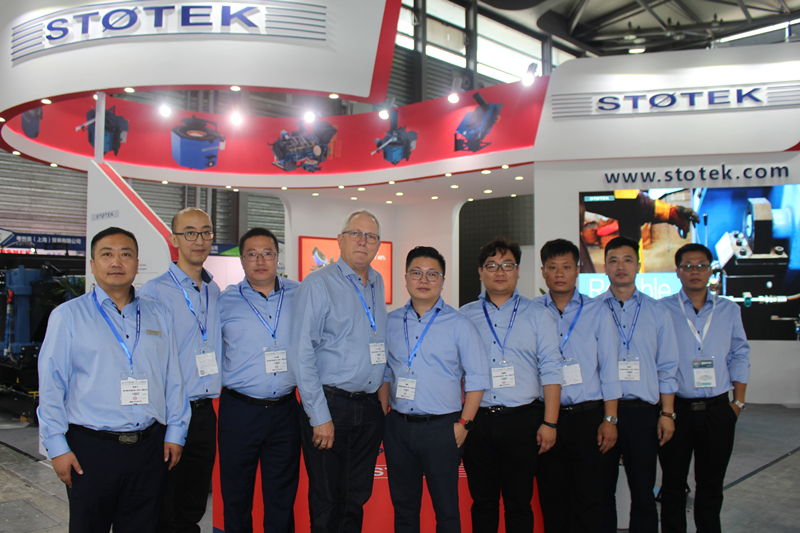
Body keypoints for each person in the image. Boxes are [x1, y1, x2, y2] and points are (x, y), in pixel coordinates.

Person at [37, 227, 190, 533]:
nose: (117, 262)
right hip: (91, 449)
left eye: (126, 254)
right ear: (93, 264)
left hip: (149, 448)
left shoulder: (159, 314)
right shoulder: (68, 316)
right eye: (107, 254)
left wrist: (176, 432)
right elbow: (52, 385)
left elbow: (173, 377)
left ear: (137, 263)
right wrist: (56, 447)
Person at [289, 209, 388, 533]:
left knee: (355, 497)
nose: (363, 241)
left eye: (370, 236)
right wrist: (319, 416)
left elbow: (377, 342)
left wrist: (380, 404)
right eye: (355, 234)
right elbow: (301, 352)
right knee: (327, 498)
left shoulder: (377, 282)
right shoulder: (318, 284)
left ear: (377, 245)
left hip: (368, 408)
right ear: (340, 240)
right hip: (331, 406)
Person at [380, 246, 490, 533]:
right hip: (398, 428)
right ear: (406, 278)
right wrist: (384, 418)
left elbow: (477, 379)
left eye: (432, 274)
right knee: (404, 509)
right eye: (416, 273)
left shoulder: (459, 324)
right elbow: (385, 373)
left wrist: (464, 425)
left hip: (442, 429)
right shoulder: (391, 322)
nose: (423, 280)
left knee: (447, 510)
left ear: (442, 281)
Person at [460, 238, 562, 533]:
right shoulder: (464, 316)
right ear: (481, 272)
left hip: (523, 421)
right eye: (491, 265)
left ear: (518, 271)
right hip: (478, 422)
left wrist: (550, 423)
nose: (499, 272)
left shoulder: (539, 315)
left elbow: (551, 370)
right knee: (483, 503)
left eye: (507, 265)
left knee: (519, 503)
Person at [139, 207, 222, 533]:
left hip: (205, 413)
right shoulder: (155, 292)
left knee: (193, 502)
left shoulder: (213, 290)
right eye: (189, 233)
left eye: (205, 232)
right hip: (170, 412)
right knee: (165, 503)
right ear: (174, 240)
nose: (198, 240)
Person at [659, 243, 750, 533]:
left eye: (701, 266)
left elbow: (740, 354)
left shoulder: (729, 310)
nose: (694, 271)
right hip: (677, 410)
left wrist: (738, 403)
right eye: (688, 266)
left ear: (711, 271)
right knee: (673, 485)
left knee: (711, 486)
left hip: (718, 409)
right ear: (677, 271)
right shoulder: (662, 309)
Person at [532, 238, 621, 533]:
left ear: (578, 270)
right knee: (552, 497)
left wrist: (610, 419)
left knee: (589, 498)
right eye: (552, 267)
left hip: (587, 418)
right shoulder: (532, 311)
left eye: (566, 267)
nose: (560, 274)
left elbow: (609, 369)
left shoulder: (598, 311)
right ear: (543, 271)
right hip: (545, 418)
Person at [217, 228, 301, 533]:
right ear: (242, 260)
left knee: (282, 497)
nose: (260, 261)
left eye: (267, 253)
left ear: (278, 258)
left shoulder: (300, 294)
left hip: (285, 412)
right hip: (240, 411)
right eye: (252, 254)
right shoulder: (224, 301)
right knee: (236, 496)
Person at [597, 236, 679, 533]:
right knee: (601, 492)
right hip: (601, 413)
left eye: (628, 260)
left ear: (639, 265)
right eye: (614, 260)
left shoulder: (658, 312)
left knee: (644, 493)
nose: (621, 266)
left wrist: (667, 413)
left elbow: (667, 366)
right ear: (604, 267)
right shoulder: (592, 310)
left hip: (643, 414)